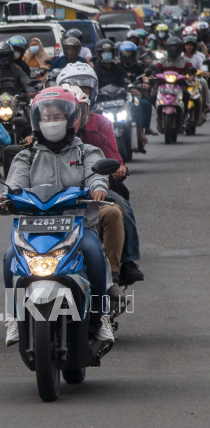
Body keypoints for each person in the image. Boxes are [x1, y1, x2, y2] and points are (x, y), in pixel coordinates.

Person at [0, 89, 116, 345]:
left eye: (57, 115)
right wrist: (4, 198)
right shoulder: (27, 155)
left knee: (94, 254)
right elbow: (14, 185)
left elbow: (96, 175)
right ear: (37, 120)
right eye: (46, 116)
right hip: (33, 230)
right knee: (9, 257)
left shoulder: (86, 152)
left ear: (71, 119)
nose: (52, 121)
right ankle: (14, 315)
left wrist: (98, 188)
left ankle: (100, 314)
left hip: (79, 227)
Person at [63, 83, 145, 286]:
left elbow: (110, 163)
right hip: (51, 209)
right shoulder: (35, 147)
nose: (69, 118)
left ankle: (116, 273)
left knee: (117, 209)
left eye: (76, 112)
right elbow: (20, 177)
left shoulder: (93, 141)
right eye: (61, 113)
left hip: (90, 200)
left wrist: (112, 174)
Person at [118, 41, 156, 137]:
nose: (127, 56)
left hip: (135, 94)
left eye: (130, 53)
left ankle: (145, 128)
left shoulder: (138, 67)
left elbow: (144, 77)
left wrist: (145, 82)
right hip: (120, 95)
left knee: (146, 103)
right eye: (125, 53)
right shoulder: (117, 67)